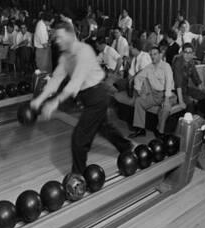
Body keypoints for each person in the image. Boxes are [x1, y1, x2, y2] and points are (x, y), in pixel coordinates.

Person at [30, 21, 132, 175]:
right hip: (89, 97)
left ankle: (78, 176)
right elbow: (56, 79)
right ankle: (125, 146)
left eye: (60, 37)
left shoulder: (83, 51)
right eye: (55, 38)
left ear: (71, 35)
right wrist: (39, 99)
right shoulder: (65, 57)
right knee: (103, 127)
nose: (56, 41)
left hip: (97, 96)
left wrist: (55, 102)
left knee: (79, 139)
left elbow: (76, 81)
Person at [128, 46, 174, 139]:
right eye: (151, 55)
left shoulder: (166, 66)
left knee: (165, 109)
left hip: (168, 95)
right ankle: (140, 129)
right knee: (139, 101)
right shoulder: (148, 67)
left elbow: (169, 83)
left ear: (160, 55)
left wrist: (166, 100)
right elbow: (138, 78)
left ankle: (160, 132)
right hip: (154, 95)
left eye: (155, 54)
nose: (153, 57)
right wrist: (139, 91)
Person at [172, 43, 202, 111]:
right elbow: (178, 85)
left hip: (185, 88)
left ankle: (201, 120)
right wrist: (181, 101)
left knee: (203, 96)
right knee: (190, 103)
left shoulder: (191, 62)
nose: (188, 55)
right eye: (186, 52)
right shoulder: (178, 63)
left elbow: (196, 78)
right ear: (182, 53)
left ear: (192, 54)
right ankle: (189, 120)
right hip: (176, 91)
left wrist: (201, 90)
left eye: (190, 52)